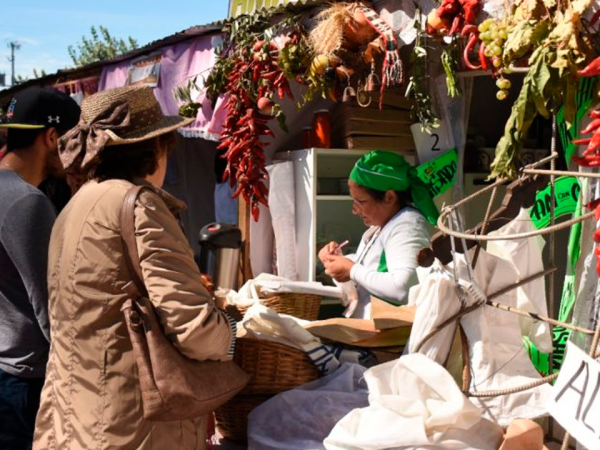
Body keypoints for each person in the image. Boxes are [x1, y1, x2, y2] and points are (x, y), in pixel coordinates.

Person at [33, 86, 236, 450]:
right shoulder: (138, 204)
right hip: (133, 425)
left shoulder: (74, 207)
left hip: (74, 415)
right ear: (155, 147)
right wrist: (233, 335)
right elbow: (194, 328)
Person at [0, 87, 80, 450]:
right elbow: (51, 304)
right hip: (24, 380)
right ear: (51, 137)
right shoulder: (27, 203)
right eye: (71, 140)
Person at [318, 150, 437, 318]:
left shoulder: (407, 225)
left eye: (361, 201)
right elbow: (371, 274)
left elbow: (404, 289)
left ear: (389, 197)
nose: (354, 210)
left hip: (390, 337)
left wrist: (352, 270)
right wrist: (339, 261)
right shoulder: (382, 226)